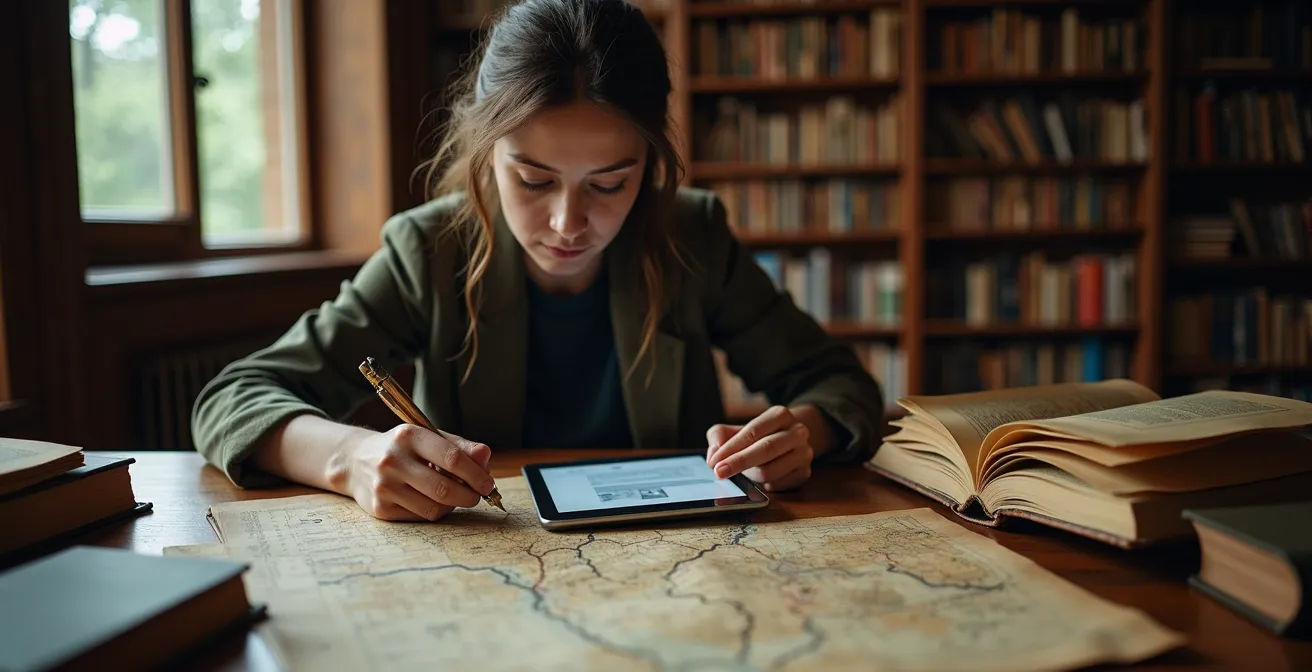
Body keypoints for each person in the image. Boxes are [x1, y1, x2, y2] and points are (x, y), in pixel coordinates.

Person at [191, 0, 886, 523]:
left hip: (676, 562)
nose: (566, 223)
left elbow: (838, 386)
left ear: (653, 165)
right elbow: (232, 398)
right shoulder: (429, 251)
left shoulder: (690, 237)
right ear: (485, 151)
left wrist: (804, 433)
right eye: (532, 179)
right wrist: (351, 457)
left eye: (610, 183)